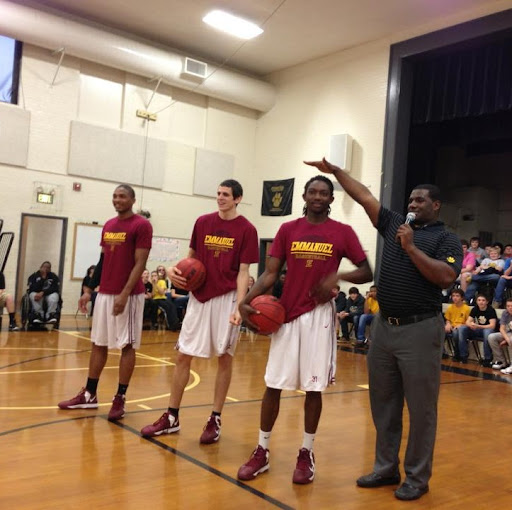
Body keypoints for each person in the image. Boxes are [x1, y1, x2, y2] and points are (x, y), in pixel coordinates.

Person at [304, 158, 461, 501]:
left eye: (420, 201)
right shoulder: (393, 224)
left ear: (436, 205)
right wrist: (336, 172)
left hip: (420, 329)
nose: (412, 204)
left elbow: (446, 278)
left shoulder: (447, 239)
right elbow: (364, 197)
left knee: (421, 410)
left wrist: (411, 248)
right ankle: (386, 467)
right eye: (411, 200)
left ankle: (417, 478)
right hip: (384, 328)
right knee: (383, 404)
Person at [237, 175, 372, 485]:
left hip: (319, 317)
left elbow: (367, 270)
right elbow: (270, 273)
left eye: (324, 193)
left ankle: (306, 452)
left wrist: (338, 275)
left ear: (331, 199)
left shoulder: (343, 232)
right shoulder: (288, 230)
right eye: (313, 191)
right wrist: (245, 302)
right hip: (285, 314)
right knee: (273, 384)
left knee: (313, 388)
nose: (318, 196)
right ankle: (262, 450)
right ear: (305, 195)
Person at [141, 179, 259, 443]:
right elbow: (190, 258)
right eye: (218, 193)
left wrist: (241, 306)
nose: (220, 198)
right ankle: (171, 416)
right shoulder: (202, 222)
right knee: (184, 355)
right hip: (200, 297)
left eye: (226, 194)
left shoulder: (247, 230)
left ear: (237, 198)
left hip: (227, 298)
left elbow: (243, 272)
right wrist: (172, 270)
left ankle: (215, 418)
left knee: (224, 358)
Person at [58, 184, 152, 421]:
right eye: (114, 196)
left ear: (132, 200)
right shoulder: (109, 225)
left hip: (128, 295)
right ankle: (89, 393)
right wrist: (89, 290)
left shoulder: (142, 225)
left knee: (127, 345)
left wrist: (125, 293)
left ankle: (120, 397)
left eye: (122, 196)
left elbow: (140, 263)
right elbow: (102, 260)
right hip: (105, 293)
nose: (117, 200)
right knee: (98, 343)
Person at [457, 293, 497, 366]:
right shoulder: (475, 309)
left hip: (487, 330)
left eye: (483, 300)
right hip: (477, 329)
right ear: (476, 301)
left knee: (487, 332)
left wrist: (477, 326)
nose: (481, 302)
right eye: (479, 300)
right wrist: (471, 324)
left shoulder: (491, 310)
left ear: (487, 302)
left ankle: (487, 358)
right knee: (462, 328)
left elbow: (492, 326)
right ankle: (463, 355)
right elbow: (467, 321)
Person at [444, 288, 471, 361]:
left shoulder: (466, 308)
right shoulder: (450, 307)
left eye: (457, 296)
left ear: (462, 297)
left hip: (461, 328)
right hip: (452, 326)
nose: (455, 298)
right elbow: (448, 319)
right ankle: (443, 352)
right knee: (438, 330)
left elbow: (469, 322)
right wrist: (448, 324)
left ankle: (458, 353)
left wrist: (461, 325)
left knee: (456, 333)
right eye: (453, 296)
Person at [488, 297, 512, 372]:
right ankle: (502, 361)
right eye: (508, 306)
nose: (510, 308)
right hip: (508, 333)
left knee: (511, 340)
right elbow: (502, 328)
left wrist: (507, 340)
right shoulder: (505, 313)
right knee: (491, 337)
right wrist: (506, 338)